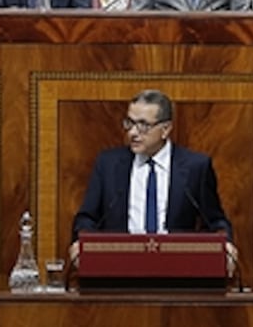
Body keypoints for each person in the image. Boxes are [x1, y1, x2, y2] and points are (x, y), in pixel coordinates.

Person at [69, 89, 238, 270]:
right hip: (120, 268)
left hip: (178, 270)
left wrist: (225, 243)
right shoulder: (108, 164)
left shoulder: (196, 167)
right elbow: (87, 218)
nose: (133, 132)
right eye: (129, 123)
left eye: (143, 125)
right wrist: (81, 241)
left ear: (165, 129)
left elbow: (215, 221)